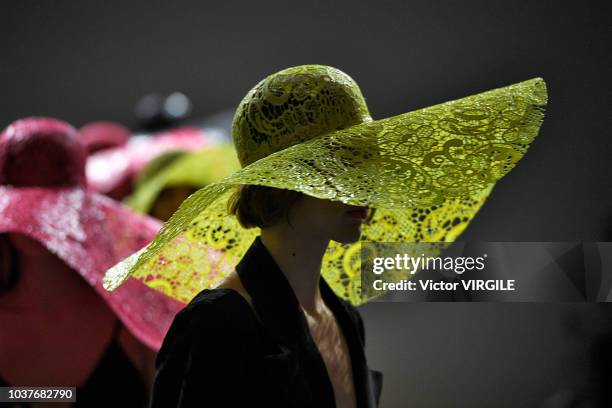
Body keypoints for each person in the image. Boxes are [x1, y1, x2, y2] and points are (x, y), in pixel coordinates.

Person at [104, 65, 548, 407]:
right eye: (343, 164)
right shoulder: (218, 323)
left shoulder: (343, 316)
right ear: (285, 180)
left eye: (365, 164)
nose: (367, 185)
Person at [0, 117, 185, 407]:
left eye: (48, 210)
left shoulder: (130, 305)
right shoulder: (127, 305)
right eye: (28, 212)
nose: (36, 226)